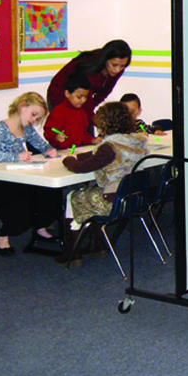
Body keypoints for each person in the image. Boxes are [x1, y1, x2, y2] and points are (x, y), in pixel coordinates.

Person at [55, 101, 150, 265]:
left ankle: (73, 252)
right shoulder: (135, 142)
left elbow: (82, 168)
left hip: (113, 201)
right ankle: (96, 244)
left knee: (73, 197)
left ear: (104, 123)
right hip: (134, 198)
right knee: (91, 192)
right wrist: (84, 155)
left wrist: (68, 160)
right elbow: (96, 155)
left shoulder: (109, 147)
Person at [0, 91, 62, 256]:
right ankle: (3, 237)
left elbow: (40, 143)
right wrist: (15, 157)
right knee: (20, 204)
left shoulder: (27, 128)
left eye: (37, 118)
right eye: (33, 114)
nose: (34, 120)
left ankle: (41, 226)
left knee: (48, 192)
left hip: (18, 176)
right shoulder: (0, 128)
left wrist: (49, 150)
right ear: (22, 106)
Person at [46, 39, 132, 132]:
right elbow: (86, 105)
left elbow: (104, 92)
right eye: (114, 65)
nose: (117, 70)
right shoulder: (89, 69)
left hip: (81, 98)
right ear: (105, 59)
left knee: (86, 131)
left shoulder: (116, 70)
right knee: (70, 134)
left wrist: (92, 114)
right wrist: (98, 121)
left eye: (122, 66)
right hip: (59, 94)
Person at [44, 73, 96, 149]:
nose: (83, 100)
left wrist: (92, 140)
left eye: (86, 97)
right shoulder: (58, 112)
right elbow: (49, 130)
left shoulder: (82, 112)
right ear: (67, 93)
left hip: (76, 149)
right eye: (79, 97)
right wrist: (56, 136)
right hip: (61, 150)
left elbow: (83, 134)